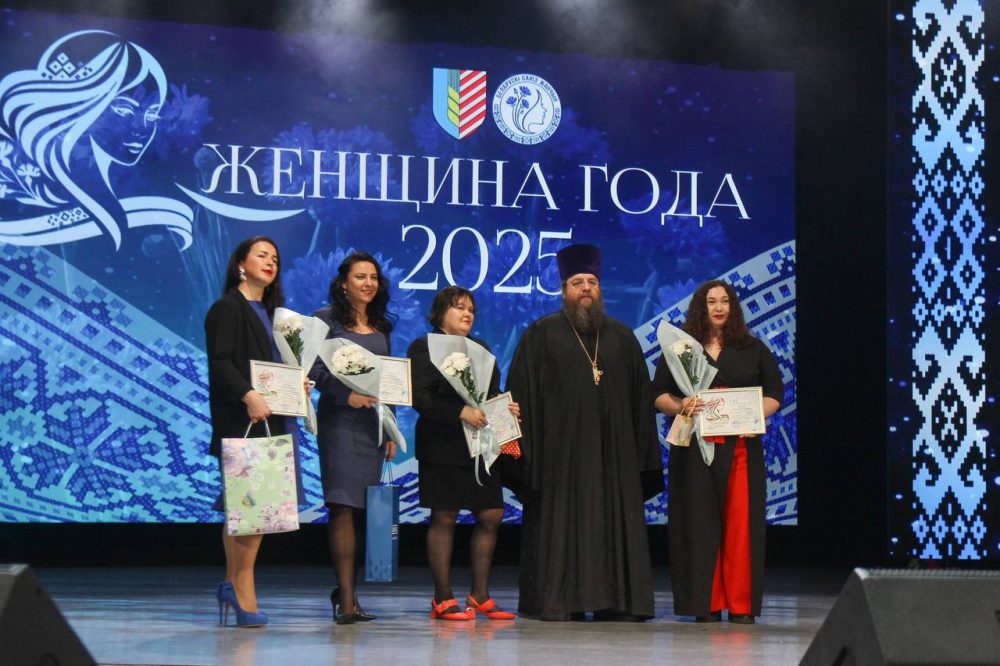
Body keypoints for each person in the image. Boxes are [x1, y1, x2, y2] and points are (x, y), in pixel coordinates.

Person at [506, 243, 664, 621]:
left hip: (614, 460)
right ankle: (561, 601)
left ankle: (619, 603)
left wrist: (640, 461)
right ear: (564, 290)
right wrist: (522, 455)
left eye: (592, 282)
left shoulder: (622, 337)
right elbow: (518, 398)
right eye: (578, 282)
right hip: (559, 460)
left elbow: (641, 404)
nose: (586, 289)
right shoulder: (540, 335)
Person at [652, 279, 783, 624]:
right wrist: (681, 405)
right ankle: (704, 604)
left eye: (725, 301)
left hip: (740, 449)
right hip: (694, 450)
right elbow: (658, 395)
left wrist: (754, 417)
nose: (719, 307)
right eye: (711, 302)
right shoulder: (682, 350)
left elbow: (774, 393)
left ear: (733, 307)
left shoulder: (752, 348)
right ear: (701, 307)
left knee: (740, 525)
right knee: (699, 524)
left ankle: (740, 605)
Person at [204, 235, 306, 627]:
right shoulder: (228, 308)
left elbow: (269, 369)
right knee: (252, 510)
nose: (270, 262)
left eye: (275, 258)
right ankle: (243, 591)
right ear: (240, 264)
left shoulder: (272, 313)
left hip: (270, 420)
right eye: (262, 255)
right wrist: (248, 394)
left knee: (245, 509)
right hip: (244, 421)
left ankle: (232, 585)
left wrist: (294, 385)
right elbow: (221, 362)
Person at [407, 286, 521, 621]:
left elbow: (491, 391)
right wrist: (460, 411)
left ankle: (480, 595)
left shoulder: (480, 347)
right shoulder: (424, 346)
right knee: (445, 516)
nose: (467, 314)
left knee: (491, 514)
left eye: (471, 309)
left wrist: (505, 406)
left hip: (480, 444)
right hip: (442, 443)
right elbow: (420, 397)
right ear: (440, 313)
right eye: (459, 307)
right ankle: (442, 598)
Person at [310, 252, 398, 625]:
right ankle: (346, 600)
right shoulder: (324, 319)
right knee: (342, 506)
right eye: (360, 276)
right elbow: (313, 368)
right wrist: (346, 395)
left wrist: (390, 428)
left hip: (372, 427)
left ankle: (347, 592)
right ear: (343, 282)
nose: (368, 283)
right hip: (340, 422)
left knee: (361, 511)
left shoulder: (381, 325)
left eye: (373, 277)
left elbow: (388, 380)